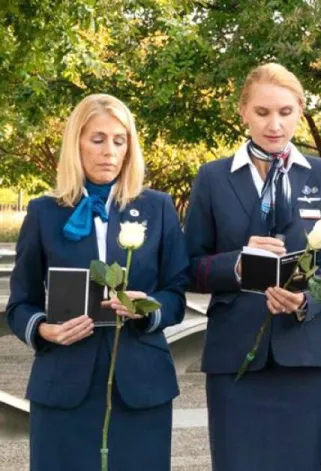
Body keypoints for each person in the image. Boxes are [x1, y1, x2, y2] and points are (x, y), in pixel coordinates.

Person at [4, 94, 189, 470]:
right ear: (77, 143)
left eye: (119, 141)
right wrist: (43, 330)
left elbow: (176, 294)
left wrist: (147, 310)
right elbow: (19, 304)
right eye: (98, 139)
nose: (109, 151)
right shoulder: (43, 212)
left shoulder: (158, 208)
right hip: (64, 385)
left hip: (141, 387)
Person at [183, 63, 321, 471]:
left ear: (300, 111)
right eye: (262, 113)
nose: (274, 125)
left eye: (285, 112)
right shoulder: (213, 178)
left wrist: (306, 300)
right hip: (235, 356)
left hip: (304, 355)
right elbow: (190, 268)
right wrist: (236, 264)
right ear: (242, 111)